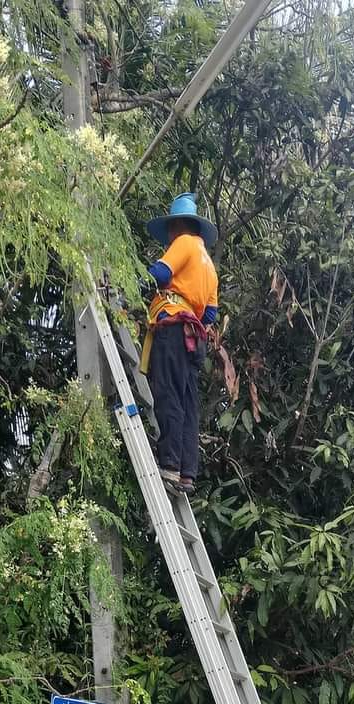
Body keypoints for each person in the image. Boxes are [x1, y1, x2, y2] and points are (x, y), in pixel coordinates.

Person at [141, 193, 219, 496]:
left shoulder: (183, 243)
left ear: (177, 226)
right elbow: (210, 312)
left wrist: (136, 283)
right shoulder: (209, 264)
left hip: (174, 330)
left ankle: (170, 466)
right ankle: (187, 472)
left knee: (168, 394)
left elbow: (160, 272)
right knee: (187, 404)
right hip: (194, 338)